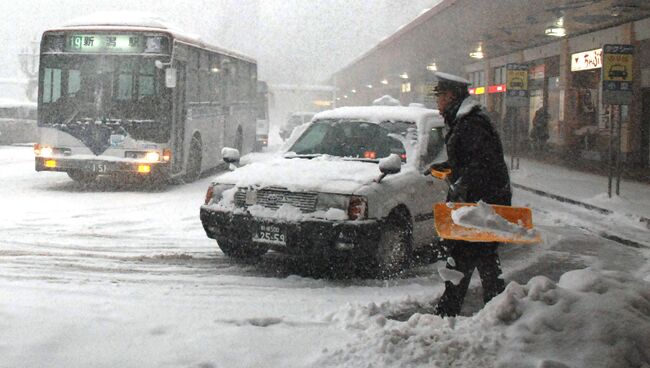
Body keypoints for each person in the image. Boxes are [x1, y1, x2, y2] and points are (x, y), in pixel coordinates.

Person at [427, 71, 512, 317]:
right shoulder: (463, 120)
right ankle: (499, 313)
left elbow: (482, 165)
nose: (438, 102)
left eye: (440, 96)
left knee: (462, 259)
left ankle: (448, 314)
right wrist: (448, 169)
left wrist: (460, 185)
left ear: (451, 96)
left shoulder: (470, 124)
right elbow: (470, 161)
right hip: (479, 204)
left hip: (478, 205)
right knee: (483, 260)